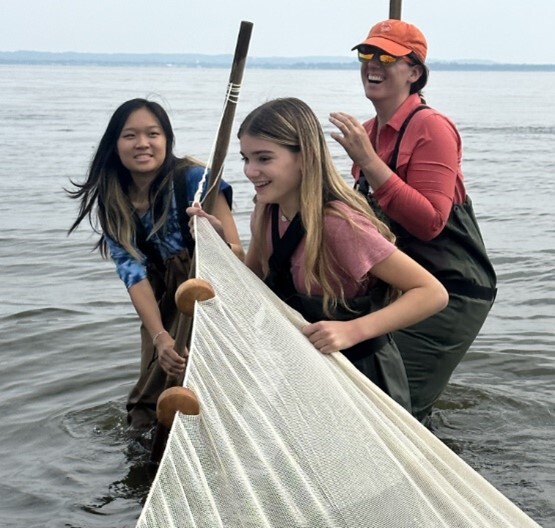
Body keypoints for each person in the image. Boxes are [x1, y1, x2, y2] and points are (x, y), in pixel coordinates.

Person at [190, 97, 448, 412]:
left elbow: (432, 293)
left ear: (304, 156)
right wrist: (218, 244)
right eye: (245, 158)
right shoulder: (265, 211)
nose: (250, 171)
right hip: (304, 369)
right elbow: (256, 279)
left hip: (363, 377)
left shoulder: (337, 224)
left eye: (264, 158)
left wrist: (352, 330)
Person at [329, 19, 497, 424]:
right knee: (364, 388)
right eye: (366, 53)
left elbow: (430, 223)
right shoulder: (368, 131)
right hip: (401, 288)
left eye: (388, 56)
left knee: (393, 408)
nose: (374, 63)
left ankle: (424, 480)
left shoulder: (431, 127)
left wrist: (369, 162)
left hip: (451, 292)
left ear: (415, 72)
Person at [67, 98, 241, 430]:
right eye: (130, 135)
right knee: (150, 404)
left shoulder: (195, 180)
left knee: (210, 395)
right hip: (161, 306)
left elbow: (239, 258)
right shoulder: (113, 198)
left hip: (209, 296)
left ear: (167, 139)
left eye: (153, 133)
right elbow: (132, 274)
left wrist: (216, 239)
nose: (142, 143)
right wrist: (160, 336)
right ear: (114, 145)